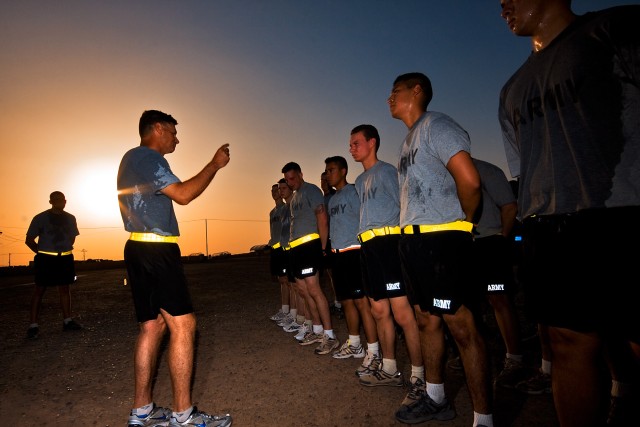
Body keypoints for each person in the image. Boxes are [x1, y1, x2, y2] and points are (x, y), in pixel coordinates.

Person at [499, 2, 640, 426]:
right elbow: (524, 170)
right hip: (551, 226)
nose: (502, 4)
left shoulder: (616, 28)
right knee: (566, 342)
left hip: (623, 214)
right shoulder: (513, 88)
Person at [389, 72, 493, 427]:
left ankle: (484, 418)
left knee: (461, 325)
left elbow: (470, 179)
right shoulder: (406, 141)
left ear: (416, 91)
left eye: (395, 91)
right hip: (415, 242)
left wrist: (463, 222)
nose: (389, 98)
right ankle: (436, 398)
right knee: (425, 320)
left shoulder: (437, 125)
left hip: (442, 240)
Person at [117, 110, 232, 427]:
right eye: (172, 132)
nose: (176, 138)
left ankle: (141, 411)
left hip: (137, 247)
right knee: (184, 325)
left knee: (152, 327)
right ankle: (184, 415)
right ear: (157, 129)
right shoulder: (149, 158)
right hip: (156, 249)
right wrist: (214, 165)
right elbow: (183, 194)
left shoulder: (130, 160)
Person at [349, 124, 426, 412]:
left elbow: (405, 206)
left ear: (372, 143)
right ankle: (391, 368)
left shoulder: (388, 172)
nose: (351, 147)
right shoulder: (359, 180)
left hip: (389, 245)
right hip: (368, 247)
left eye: (356, 142)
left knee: (403, 313)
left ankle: (419, 376)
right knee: (379, 311)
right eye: (350, 143)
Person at [471, 157, 526, 390]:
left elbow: (509, 206)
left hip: (490, 242)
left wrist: (501, 239)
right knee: (470, 303)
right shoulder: (446, 174)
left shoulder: (486, 169)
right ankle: (475, 351)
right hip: (465, 245)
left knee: (499, 300)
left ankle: (515, 358)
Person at [323, 155, 379, 362]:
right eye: (327, 171)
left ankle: (374, 351)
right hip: (338, 255)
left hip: (354, 253)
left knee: (362, 303)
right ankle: (355, 344)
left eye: (332, 170)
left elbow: (365, 218)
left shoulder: (354, 192)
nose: (328, 175)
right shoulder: (333, 199)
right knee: (346, 302)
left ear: (344, 171)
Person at [281, 161, 339, 355]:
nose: (290, 183)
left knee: (314, 290)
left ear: (300, 174)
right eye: (287, 180)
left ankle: (330, 336)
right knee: (303, 291)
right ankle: (317, 330)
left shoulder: (311, 190)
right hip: (295, 249)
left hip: (310, 247)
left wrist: (323, 248)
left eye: (292, 178)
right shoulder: (295, 197)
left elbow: (322, 218)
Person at [25, 191, 82, 339]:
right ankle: (33, 325)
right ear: (50, 201)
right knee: (39, 290)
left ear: (65, 201)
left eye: (61, 199)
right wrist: (42, 252)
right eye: (55, 199)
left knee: (65, 288)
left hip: (65, 258)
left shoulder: (70, 218)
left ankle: (67, 321)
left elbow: (72, 237)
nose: (58, 201)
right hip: (45, 260)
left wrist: (64, 249)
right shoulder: (40, 218)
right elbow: (29, 240)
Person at [267, 182, 293, 324]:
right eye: (272, 191)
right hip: (275, 249)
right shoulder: (272, 212)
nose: (274, 193)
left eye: (276, 190)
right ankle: (284, 310)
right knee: (281, 280)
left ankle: (292, 313)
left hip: (285, 249)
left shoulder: (286, 208)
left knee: (288, 281)